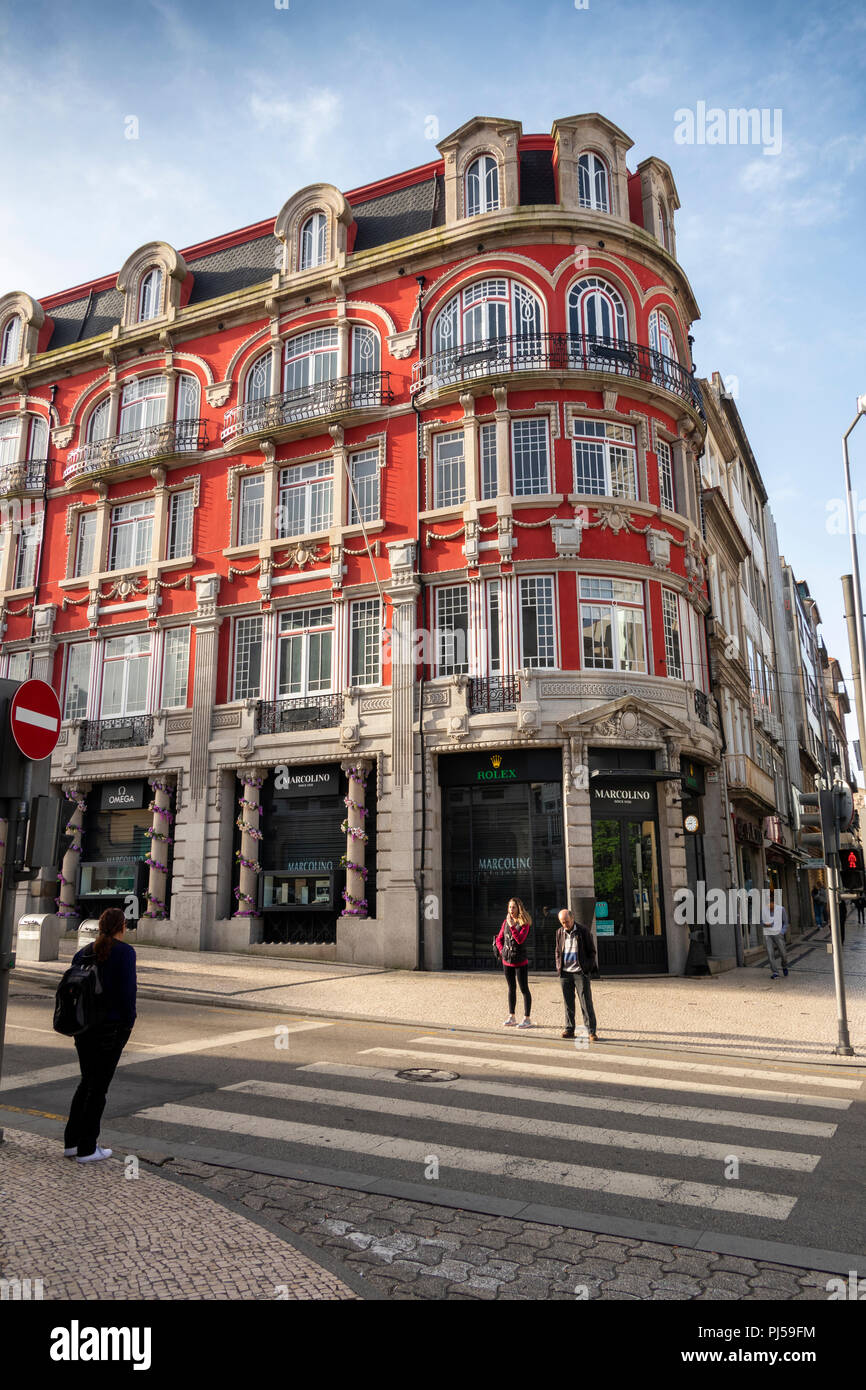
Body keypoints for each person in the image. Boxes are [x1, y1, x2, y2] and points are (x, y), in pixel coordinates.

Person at [63, 907, 137, 1162]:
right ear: (122, 927)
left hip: (82, 1028)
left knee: (86, 1082)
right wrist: (128, 1025)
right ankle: (87, 1147)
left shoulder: (82, 953)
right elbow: (128, 995)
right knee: (98, 1089)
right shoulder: (124, 952)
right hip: (110, 1028)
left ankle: (71, 1142)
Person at [555, 908, 599, 1041]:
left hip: (580, 972)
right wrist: (559, 966)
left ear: (572, 919)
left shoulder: (583, 931)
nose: (565, 925)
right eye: (562, 922)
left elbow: (592, 951)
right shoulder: (559, 932)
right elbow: (557, 950)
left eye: (567, 922)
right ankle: (569, 1029)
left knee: (586, 1002)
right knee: (568, 1003)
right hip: (565, 972)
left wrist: (586, 968)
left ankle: (591, 1031)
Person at [494, 897, 533, 1028]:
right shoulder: (505, 922)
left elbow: (520, 940)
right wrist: (502, 950)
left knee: (524, 989)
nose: (511, 910)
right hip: (507, 961)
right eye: (510, 907)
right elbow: (499, 938)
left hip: (520, 961)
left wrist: (512, 926)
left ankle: (527, 1018)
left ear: (519, 908)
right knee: (511, 988)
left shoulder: (524, 923)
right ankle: (512, 1016)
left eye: (514, 907)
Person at [761, 889, 789, 979]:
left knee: (783, 954)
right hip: (768, 934)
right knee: (770, 953)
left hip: (778, 934)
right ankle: (775, 972)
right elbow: (761, 922)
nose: (769, 907)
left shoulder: (781, 909)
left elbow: (786, 923)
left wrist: (781, 932)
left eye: (771, 905)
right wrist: (765, 924)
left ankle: (784, 965)